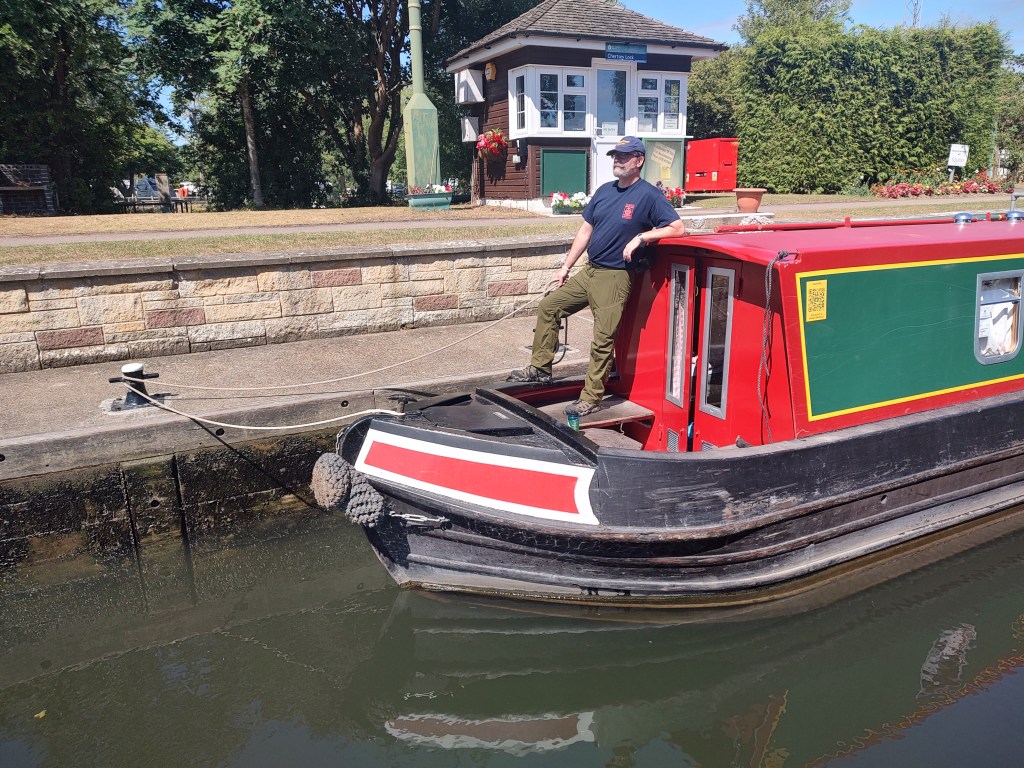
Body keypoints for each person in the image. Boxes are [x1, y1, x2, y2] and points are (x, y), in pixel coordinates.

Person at [508, 137, 685, 416]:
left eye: (624, 156)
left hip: (615, 277)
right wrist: (566, 267)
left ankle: (591, 397)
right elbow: (585, 231)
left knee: (602, 337)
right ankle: (540, 369)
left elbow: (677, 228)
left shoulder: (649, 195)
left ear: (638, 161)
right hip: (590, 271)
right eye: (615, 155)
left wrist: (642, 236)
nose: (617, 159)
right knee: (549, 307)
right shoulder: (604, 191)